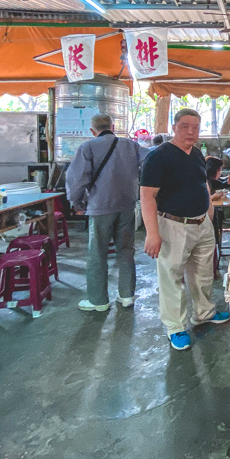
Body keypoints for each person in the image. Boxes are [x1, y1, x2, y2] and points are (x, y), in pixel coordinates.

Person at [140, 109, 230, 352]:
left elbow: (203, 184)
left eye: (195, 127)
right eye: (184, 126)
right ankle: (175, 327)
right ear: (174, 127)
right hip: (173, 225)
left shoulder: (197, 153)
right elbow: (147, 196)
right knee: (172, 277)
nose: (190, 131)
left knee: (203, 273)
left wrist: (208, 213)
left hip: (201, 224)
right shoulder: (158, 156)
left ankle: (204, 313)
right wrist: (152, 233)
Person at [66, 114, 143, 312]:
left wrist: (76, 203)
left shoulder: (87, 147)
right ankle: (127, 295)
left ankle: (98, 300)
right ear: (113, 127)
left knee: (98, 253)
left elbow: (76, 180)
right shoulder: (131, 145)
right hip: (127, 206)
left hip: (100, 208)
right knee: (126, 251)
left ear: (92, 131)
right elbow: (150, 161)